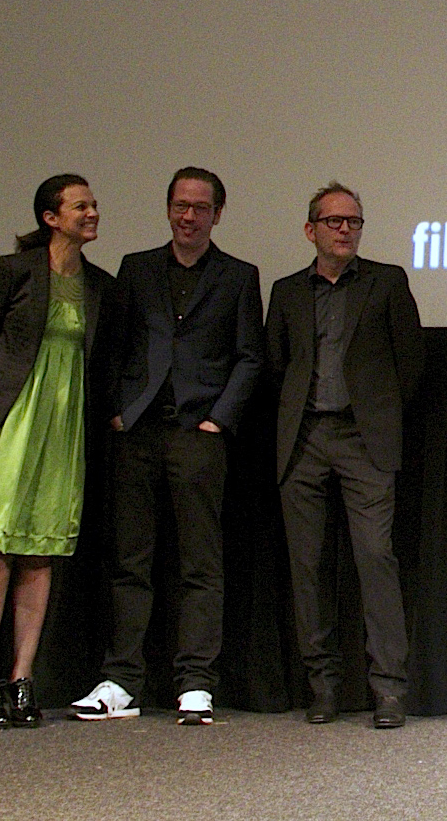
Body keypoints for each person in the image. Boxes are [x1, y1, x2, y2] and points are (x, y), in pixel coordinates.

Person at [71, 168, 263, 725]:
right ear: (168, 209)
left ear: (217, 215)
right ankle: (120, 680)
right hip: (138, 431)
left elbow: (250, 356)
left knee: (200, 564)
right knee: (130, 560)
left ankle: (196, 683)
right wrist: (116, 411)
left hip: (199, 433)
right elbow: (112, 345)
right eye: (180, 206)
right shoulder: (136, 269)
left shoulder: (238, 275)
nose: (188, 216)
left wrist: (219, 421)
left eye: (200, 208)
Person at [0, 174, 122, 728]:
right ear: (50, 217)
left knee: (40, 550)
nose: (92, 212)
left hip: (61, 428)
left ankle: (21, 677)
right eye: (80, 205)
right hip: (7, 424)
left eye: (93, 204)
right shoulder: (13, 270)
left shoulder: (98, 284)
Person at [267, 182, 424, 729]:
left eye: (353, 222)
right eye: (334, 221)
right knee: (308, 565)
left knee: (375, 559)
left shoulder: (386, 282)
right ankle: (323, 686)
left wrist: (378, 417)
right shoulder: (287, 291)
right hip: (303, 440)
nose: (344, 230)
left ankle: (389, 688)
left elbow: (410, 362)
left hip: (365, 440)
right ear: (311, 230)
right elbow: (276, 364)